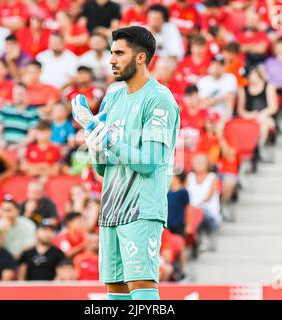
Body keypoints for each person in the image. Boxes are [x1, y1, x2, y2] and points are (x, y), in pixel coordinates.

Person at [72, 26, 179, 300]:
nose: (111, 60)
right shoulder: (112, 98)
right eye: (111, 53)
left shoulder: (159, 99)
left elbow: (150, 163)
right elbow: (102, 169)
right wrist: (95, 145)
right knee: (115, 289)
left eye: (119, 53)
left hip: (142, 207)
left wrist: (108, 139)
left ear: (141, 57)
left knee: (141, 285)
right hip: (112, 205)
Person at [237, 67, 278, 161]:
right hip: (249, 118)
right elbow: (241, 110)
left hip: (265, 117)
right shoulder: (243, 90)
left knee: (263, 122)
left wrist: (261, 114)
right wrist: (250, 115)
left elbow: (273, 107)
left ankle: (259, 147)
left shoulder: (268, 86)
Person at [186, 154, 221, 252]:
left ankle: (202, 239)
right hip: (192, 209)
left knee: (199, 213)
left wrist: (194, 206)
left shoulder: (212, 177)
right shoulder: (190, 177)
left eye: (202, 163)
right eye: (196, 162)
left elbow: (208, 197)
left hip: (208, 211)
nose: (199, 165)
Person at [0, 82, 40, 150]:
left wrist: (17, 146)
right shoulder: (5, 109)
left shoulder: (33, 113)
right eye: (15, 93)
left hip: (21, 146)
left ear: (26, 94)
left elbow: (31, 136)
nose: (17, 96)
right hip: (4, 144)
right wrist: (0, 142)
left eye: (20, 94)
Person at [197, 55, 237, 121]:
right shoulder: (203, 81)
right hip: (206, 118)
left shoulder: (230, 78)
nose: (217, 67)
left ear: (224, 67)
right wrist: (223, 97)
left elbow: (230, 100)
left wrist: (223, 120)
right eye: (214, 64)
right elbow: (203, 103)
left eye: (220, 65)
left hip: (223, 117)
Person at [167, 171, 190, 236]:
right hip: (168, 224)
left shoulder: (183, 192)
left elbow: (188, 208)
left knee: (179, 241)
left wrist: (188, 225)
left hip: (179, 224)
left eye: (171, 176)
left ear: (177, 178)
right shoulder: (168, 192)